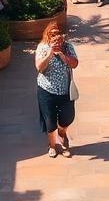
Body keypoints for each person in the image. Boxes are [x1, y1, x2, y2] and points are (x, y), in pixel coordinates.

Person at [35, 23, 79, 158]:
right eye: (52, 34)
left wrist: (62, 56)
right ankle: (52, 145)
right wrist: (50, 53)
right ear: (47, 35)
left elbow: (75, 64)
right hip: (46, 89)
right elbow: (39, 67)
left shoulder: (67, 47)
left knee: (68, 117)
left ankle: (62, 133)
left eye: (58, 33)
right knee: (50, 120)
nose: (56, 37)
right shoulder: (42, 47)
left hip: (64, 90)